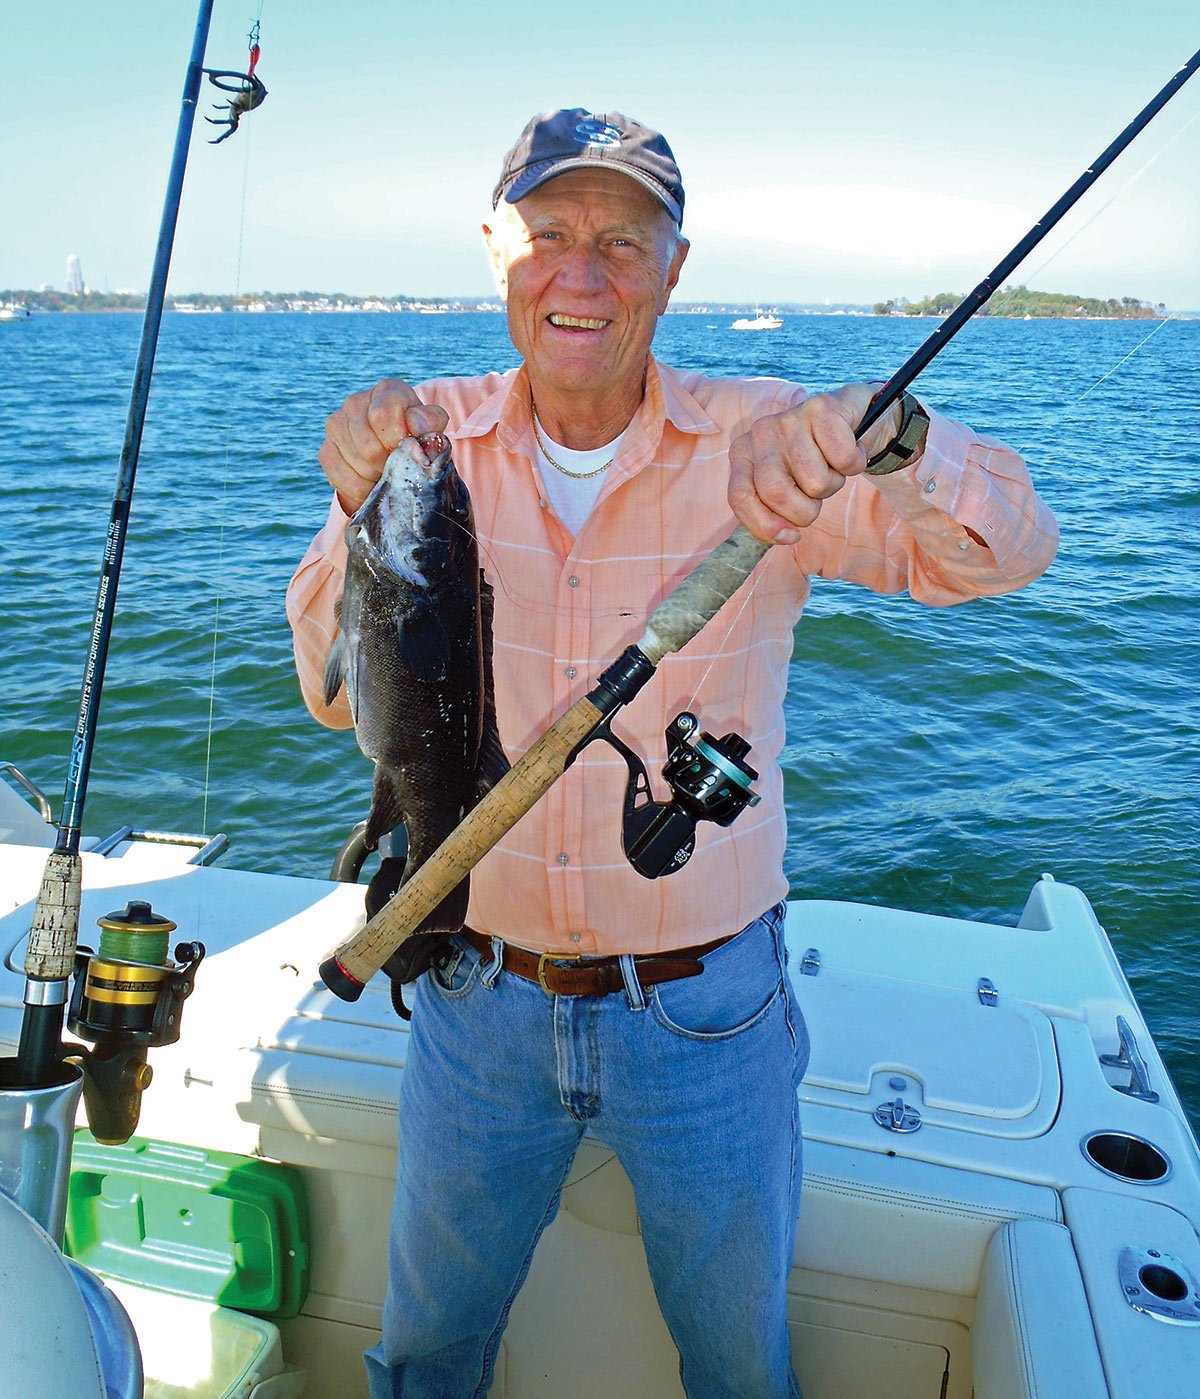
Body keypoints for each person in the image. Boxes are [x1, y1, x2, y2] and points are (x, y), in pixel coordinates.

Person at [287, 108, 1058, 1399]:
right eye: (547, 236)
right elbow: (326, 687)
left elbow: (1004, 557)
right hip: (475, 1000)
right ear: (496, 252)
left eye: (621, 243)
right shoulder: (429, 444)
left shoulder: (772, 447)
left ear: (676, 269)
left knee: (740, 1366)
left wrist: (901, 440)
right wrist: (350, 490)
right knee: (423, 1355)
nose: (578, 275)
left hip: (712, 1016)